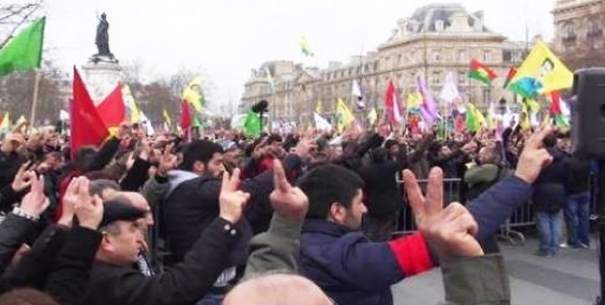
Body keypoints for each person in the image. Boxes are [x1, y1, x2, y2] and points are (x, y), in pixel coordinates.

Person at [81, 168, 251, 305]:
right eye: (133, 229)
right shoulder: (105, 281)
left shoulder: (115, 266)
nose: (141, 237)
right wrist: (225, 221)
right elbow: (176, 288)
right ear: (107, 240)